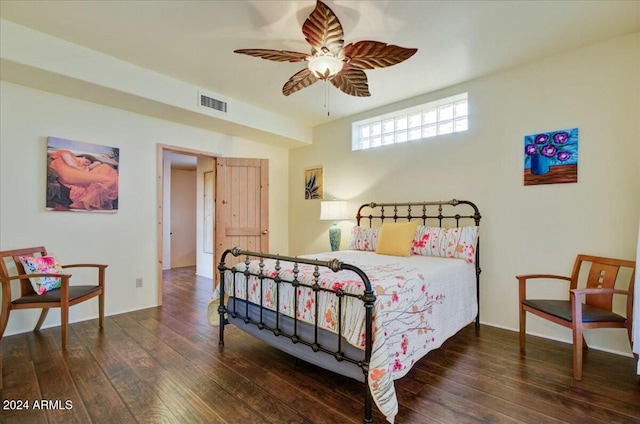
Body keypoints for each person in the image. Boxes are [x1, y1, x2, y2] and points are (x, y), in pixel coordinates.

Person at [48, 149, 119, 211]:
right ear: (83, 157)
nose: (86, 164)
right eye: (87, 161)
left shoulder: (81, 166)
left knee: (105, 169)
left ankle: (91, 195)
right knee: (109, 180)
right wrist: (84, 170)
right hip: (69, 174)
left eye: (88, 164)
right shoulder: (66, 152)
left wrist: (94, 164)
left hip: (73, 175)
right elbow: (70, 164)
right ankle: (88, 199)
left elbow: (89, 170)